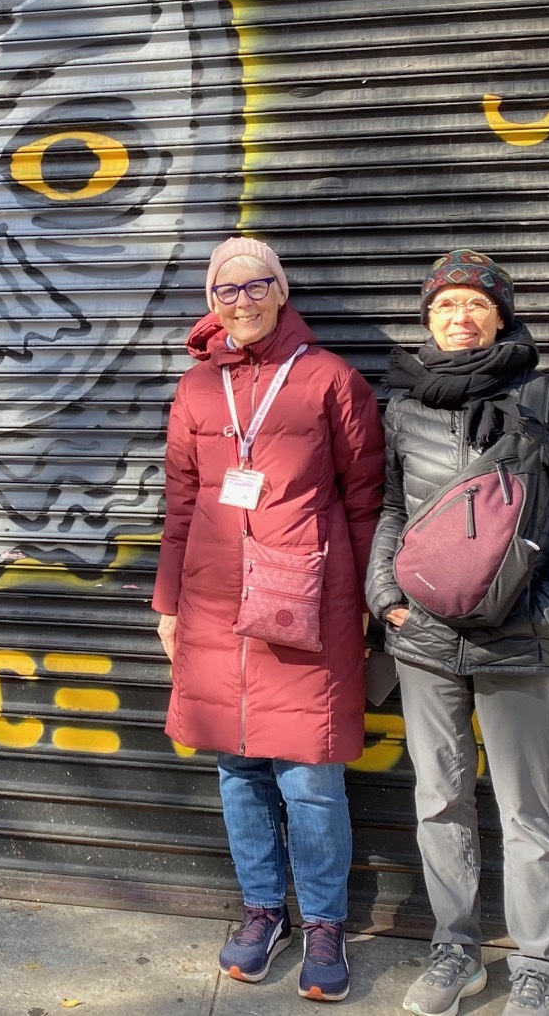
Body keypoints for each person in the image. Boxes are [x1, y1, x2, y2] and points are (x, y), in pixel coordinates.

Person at [367, 250, 549, 1016]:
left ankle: (539, 962)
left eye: (474, 303)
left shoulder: (541, 397)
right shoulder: (403, 406)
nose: (459, 316)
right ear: (428, 321)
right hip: (426, 639)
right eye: (444, 306)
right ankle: (456, 949)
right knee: (438, 800)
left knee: (524, 807)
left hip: (520, 637)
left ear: (500, 315)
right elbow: (390, 513)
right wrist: (384, 596)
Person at [154, 236, 385, 1003]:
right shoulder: (193, 392)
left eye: (256, 284)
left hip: (305, 602)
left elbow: (363, 506)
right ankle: (263, 911)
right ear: (210, 302)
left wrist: (356, 606)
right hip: (215, 603)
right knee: (236, 769)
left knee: (311, 779)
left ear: (280, 293)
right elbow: (180, 507)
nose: (242, 299)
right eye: (226, 288)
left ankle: (323, 922)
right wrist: (168, 605)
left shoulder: (329, 381)